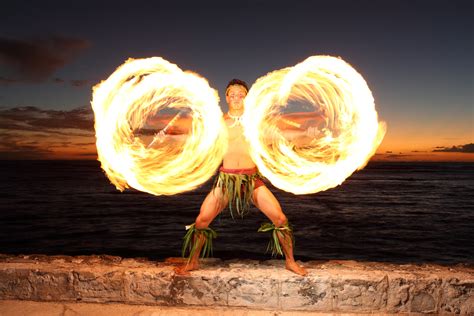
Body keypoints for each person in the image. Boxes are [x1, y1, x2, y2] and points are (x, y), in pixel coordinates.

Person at [174, 79, 308, 276]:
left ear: (247, 97)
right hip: (227, 180)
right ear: (227, 97)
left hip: (251, 179)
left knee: (280, 219)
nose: (237, 97)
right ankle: (193, 261)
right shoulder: (219, 122)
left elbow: (277, 137)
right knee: (202, 220)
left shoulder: (255, 121)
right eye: (233, 94)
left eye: (241, 94)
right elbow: (202, 144)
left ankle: (290, 261)